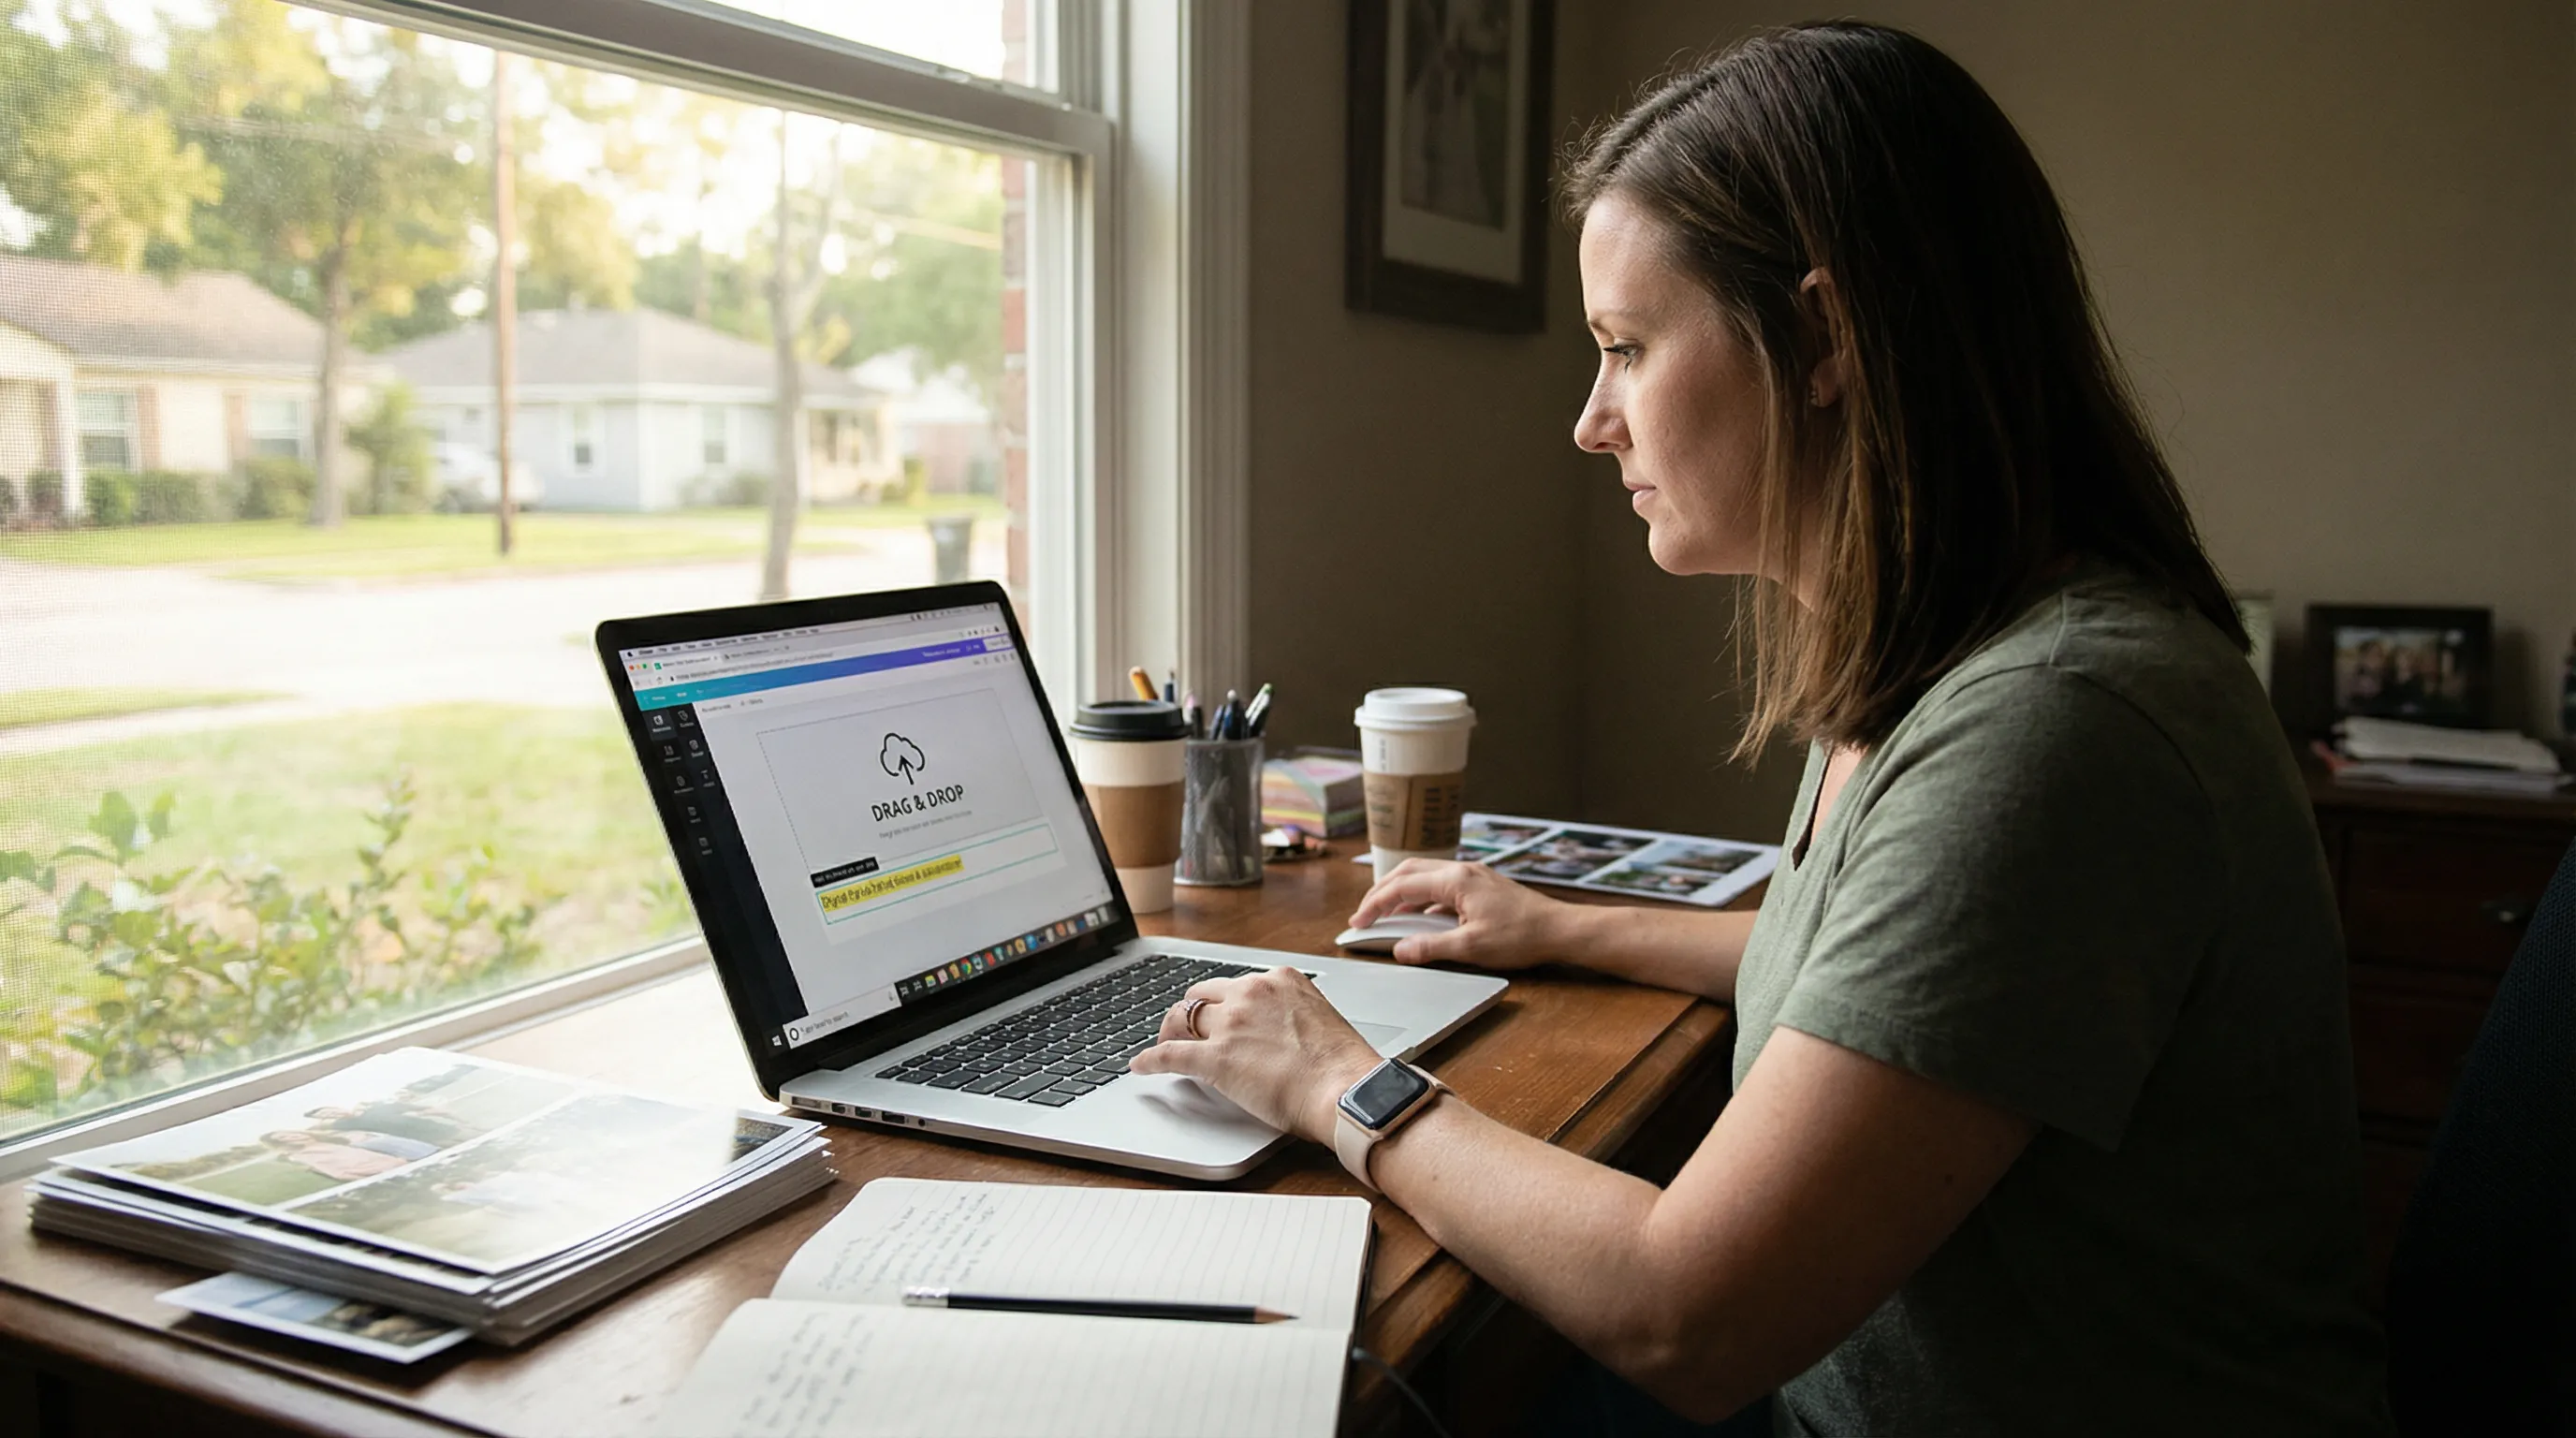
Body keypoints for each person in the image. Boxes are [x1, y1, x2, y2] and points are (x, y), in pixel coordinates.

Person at [1130, 22, 2391, 1436]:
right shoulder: (1963, 644)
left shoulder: (2055, 728)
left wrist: (1333, 1079)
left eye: (1624, 348)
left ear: (1826, 340)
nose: (1592, 423)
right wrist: (1564, 924)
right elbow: (1883, 968)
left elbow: (1690, 1314)